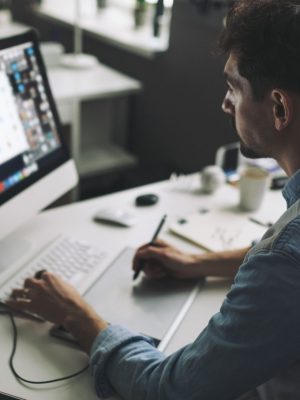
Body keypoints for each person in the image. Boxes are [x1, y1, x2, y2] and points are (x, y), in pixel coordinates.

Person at [7, 0, 300, 398]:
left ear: (280, 107)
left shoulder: (284, 259)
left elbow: (167, 391)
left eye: (233, 87)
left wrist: (76, 316)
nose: (225, 104)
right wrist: (198, 263)